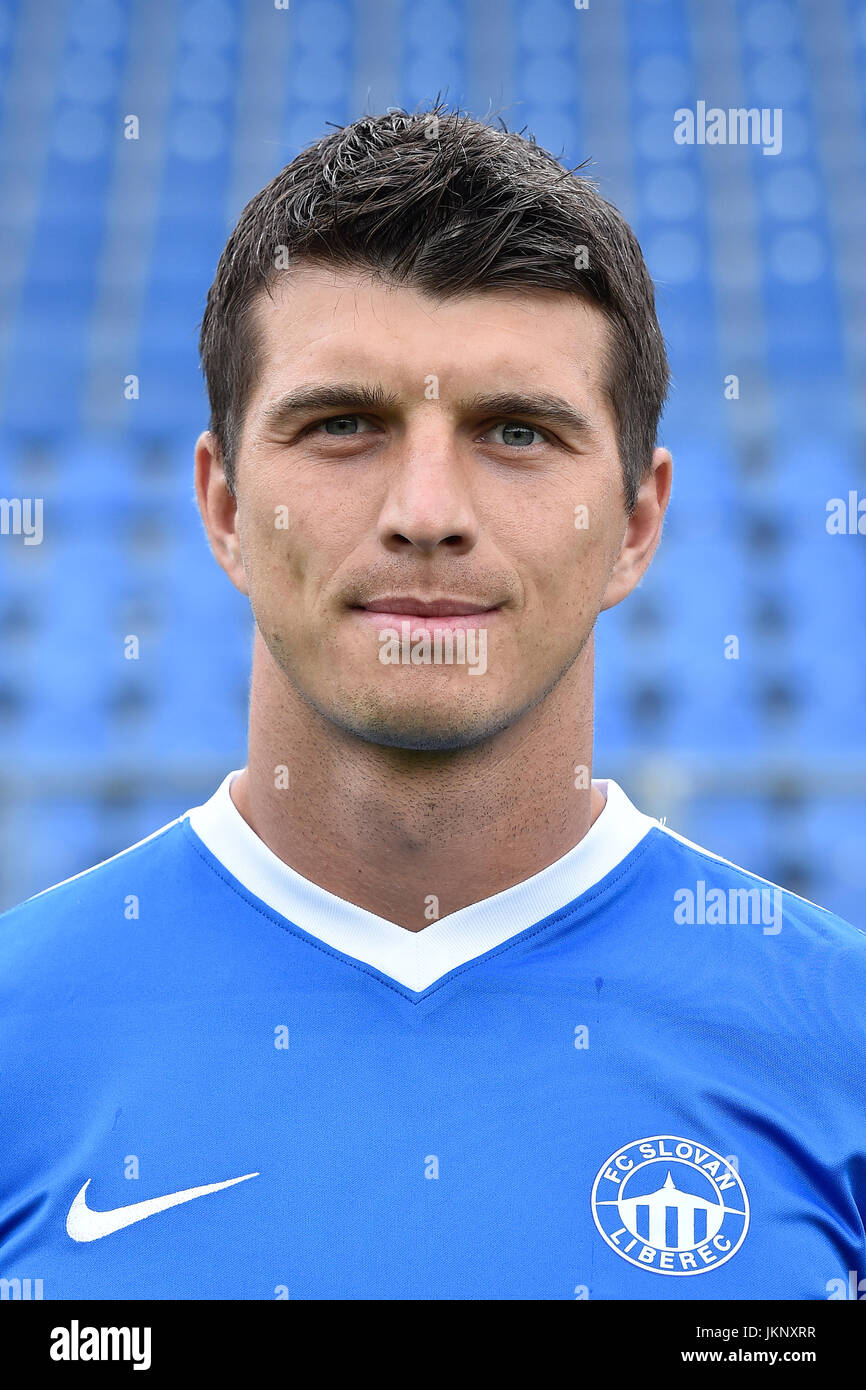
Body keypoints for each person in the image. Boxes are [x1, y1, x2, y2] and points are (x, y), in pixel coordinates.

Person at [1, 105, 863, 1301]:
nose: (425, 508)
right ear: (223, 508)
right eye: (342, 424)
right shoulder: (18, 1031)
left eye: (516, 432)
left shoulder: (835, 1034)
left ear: (634, 525)